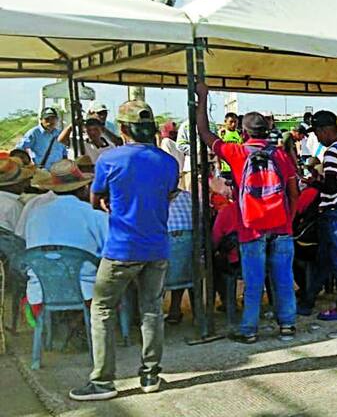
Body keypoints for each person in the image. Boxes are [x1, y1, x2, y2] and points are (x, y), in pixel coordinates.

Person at [69, 101, 179, 401]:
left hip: (121, 248)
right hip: (157, 246)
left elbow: (96, 199)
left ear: (122, 128)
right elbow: (168, 194)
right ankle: (150, 374)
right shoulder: (169, 162)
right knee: (152, 310)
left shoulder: (109, 159)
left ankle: (103, 381)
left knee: (102, 309)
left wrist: (109, 203)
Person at [194, 84, 299, 343]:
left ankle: (249, 330)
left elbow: (204, 132)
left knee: (253, 281)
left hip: (250, 227)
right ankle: (287, 325)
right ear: (268, 131)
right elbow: (294, 192)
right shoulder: (282, 156)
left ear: (243, 132)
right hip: (281, 227)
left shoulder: (237, 152)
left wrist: (203, 97)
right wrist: (290, 218)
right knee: (283, 279)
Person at [23, 160, 107, 324]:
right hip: (87, 294)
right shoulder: (92, 215)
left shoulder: (35, 215)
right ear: (83, 188)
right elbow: (110, 249)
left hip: (38, 296)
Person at [298, 110, 337, 321]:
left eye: (317, 133)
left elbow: (331, 186)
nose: (317, 138)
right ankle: (307, 301)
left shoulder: (332, 152)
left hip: (333, 211)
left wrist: (314, 182)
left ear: (324, 130)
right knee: (324, 259)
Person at [164, 190, 193, 325]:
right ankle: (174, 311)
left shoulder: (155, 195)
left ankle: (171, 312)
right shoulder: (188, 197)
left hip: (167, 240)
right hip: (186, 240)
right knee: (186, 277)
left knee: (157, 281)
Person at [0, 155, 34, 232]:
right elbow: (20, 235)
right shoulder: (12, 206)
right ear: (17, 184)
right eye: (24, 180)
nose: (26, 184)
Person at [218, 112, 242, 178]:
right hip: (224, 168)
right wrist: (218, 164)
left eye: (235, 122)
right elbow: (217, 150)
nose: (233, 124)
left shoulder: (239, 134)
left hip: (236, 167)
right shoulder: (221, 133)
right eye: (231, 122)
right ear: (225, 122)